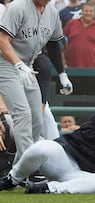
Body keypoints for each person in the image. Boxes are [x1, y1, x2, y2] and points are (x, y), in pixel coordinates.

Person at [0, 0, 64, 165]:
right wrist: (17, 64)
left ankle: (17, 171)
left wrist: (62, 73)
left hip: (27, 67)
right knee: (23, 114)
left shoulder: (51, 11)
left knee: (37, 118)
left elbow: (53, 44)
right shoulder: (18, 7)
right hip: (6, 64)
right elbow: (2, 39)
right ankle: (31, 168)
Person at [63, 3, 95, 68]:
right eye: (86, 11)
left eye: (91, 11)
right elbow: (61, 41)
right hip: (71, 65)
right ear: (82, 11)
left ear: (94, 13)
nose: (88, 13)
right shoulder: (71, 24)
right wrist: (63, 60)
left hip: (92, 67)